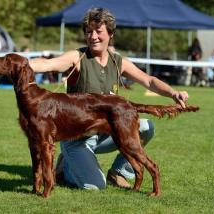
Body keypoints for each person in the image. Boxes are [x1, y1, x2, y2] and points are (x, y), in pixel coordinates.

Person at [29, 8, 189, 190]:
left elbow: (149, 80)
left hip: (107, 132)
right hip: (78, 138)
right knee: (95, 186)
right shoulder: (78, 57)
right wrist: (21, 64)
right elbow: (48, 64)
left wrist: (172, 93)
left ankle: (119, 172)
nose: (93, 36)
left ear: (110, 34)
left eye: (99, 31)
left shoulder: (117, 61)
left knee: (145, 127)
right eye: (89, 32)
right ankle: (66, 166)